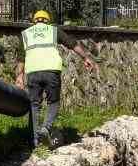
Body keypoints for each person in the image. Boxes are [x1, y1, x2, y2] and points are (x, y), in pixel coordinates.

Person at [15, 9, 97, 148]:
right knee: (53, 102)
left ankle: (35, 142)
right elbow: (72, 44)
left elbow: (21, 60)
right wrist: (86, 57)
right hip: (51, 71)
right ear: (47, 20)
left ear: (34, 21)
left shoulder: (26, 34)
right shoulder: (53, 30)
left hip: (33, 72)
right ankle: (45, 128)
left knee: (34, 105)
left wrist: (19, 76)